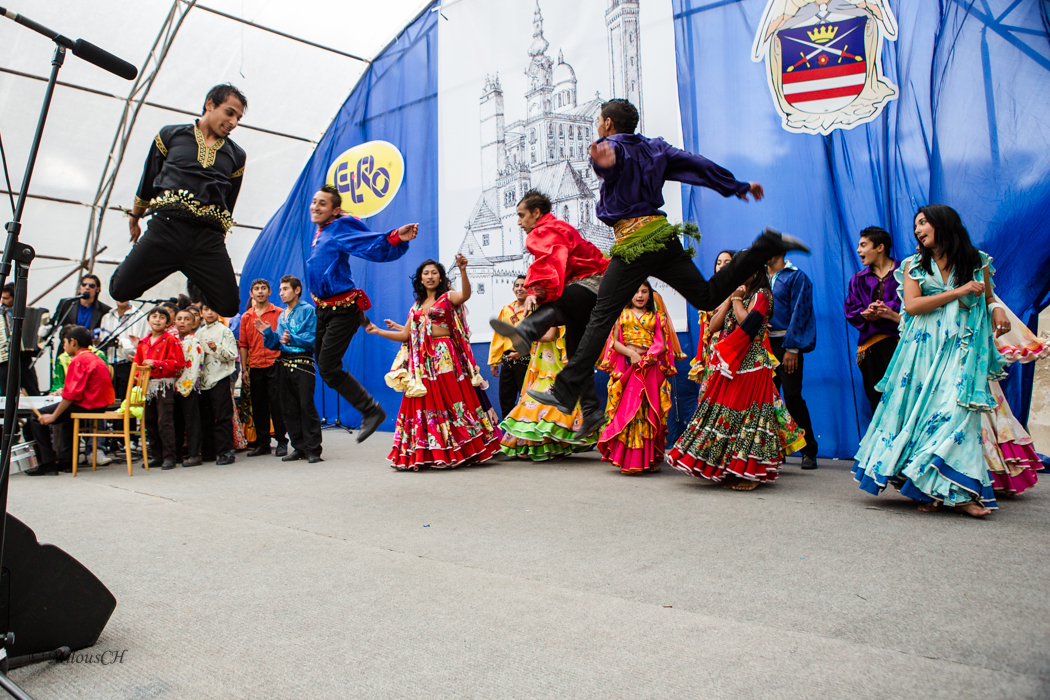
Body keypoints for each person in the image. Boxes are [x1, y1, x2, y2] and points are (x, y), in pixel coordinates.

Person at [525, 99, 808, 430]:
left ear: (607, 124)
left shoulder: (611, 147)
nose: (599, 126)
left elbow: (610, 163)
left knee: (601, 315)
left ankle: (564, 389)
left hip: (634, 244)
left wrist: (602, 162)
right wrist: (734, 185)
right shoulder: (655, 148)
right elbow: (696, 164)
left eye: (600, 121)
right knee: (705, 296)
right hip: (662, 237)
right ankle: (765, 246)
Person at [852, 204, 1011, 518]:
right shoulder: (913, 264)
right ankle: (930, 490)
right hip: (923, 348)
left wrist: (996, 310)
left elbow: (988, 297)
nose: (917, 230)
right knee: (922, 413)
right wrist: (958, 291)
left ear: (943, 223)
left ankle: (959, 494)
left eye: (923, 223)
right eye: (915, 225)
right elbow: (912, 306)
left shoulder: (976, 260)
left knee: (957, 413)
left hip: (961, 347)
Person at [110, 84, 247, 318]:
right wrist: (135, 218)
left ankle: (189, 270)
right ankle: (173, 262)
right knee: (119, 289)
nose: (233, 122)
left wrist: (215, 247)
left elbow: (229, 202)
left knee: (229, 305)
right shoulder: (171, 135)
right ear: (210, 104)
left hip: (207, 239)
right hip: (167, 228)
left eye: (238, 118)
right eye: (229, 113)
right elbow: (147, 180)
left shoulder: (237, 154)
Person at [667, 270, 806, 489]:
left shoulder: (762, 295)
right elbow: (713, 326)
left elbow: (747, 325)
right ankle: (733, 469)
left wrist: (736, 300)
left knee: (751, 417)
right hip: (732, 363)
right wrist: (729, 299)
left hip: (752, 363)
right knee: (731, 416)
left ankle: (752, 475)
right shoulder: (737, 294)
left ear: (755, 271)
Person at [488, 190, 607, 438]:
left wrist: (535, 290)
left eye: (521, 215)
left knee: (558, 304)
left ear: (536, 213)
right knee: (576, 353)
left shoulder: (545, 230)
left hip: (589, 285)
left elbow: (550, 260)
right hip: (592, 289)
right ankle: (590, 410)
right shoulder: (557, 229)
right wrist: (538, 290)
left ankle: (526, 331)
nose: (519, 222)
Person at [306, 185, 418, 443]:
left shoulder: (340, 226)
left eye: (322, 203)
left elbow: (369, 244)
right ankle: (370, 410)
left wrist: (395, 237)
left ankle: (371, 410)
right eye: (314, 202)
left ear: (335, 210)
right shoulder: (323, 231)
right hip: (324, 309)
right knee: (325, 368)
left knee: (328, 366)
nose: (316, 207)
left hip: (342, 309)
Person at [367, 256, 500, 470]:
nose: (430, 276)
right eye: (426, 273)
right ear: (420, 279)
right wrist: (378, 331)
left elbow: (465, 295)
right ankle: (432, 452)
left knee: (451, 399)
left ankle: (460, 449)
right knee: (426, 402)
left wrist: (463, 270)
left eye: (434, 273)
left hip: (444, 357)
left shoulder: (448, 297)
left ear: (440, 277)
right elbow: (405, 335)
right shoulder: (416, 306)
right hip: (422, 362)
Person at [596, 281, 680, 475]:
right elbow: (614, 342)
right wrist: (631, 354)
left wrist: (648, 356)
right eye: (636, 291)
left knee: (648, 412)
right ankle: (627, 459)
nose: (640, 295)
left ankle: (650, 458)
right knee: (628, 411)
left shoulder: (657, 317)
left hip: (649, 368)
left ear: (650, 295)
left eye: (644, 291)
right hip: (628, 368)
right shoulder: (621, 314)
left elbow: (662, 344)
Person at [22, 325, 116, 476]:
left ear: (73, 342)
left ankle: (47, 463)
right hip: (100, 405)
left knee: (36, 417)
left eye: (64, 342)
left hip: (87, 405)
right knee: (67, 416)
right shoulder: (96, 357)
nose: (63, 346)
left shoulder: (78, 360)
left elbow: (71, 394)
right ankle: (66, 462)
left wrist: (53, 416)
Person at [499, 326, 597, 460]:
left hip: (554, 368)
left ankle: (552, 448)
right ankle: (545, 447)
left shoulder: (553, 315)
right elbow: (539, 342)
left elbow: (548, 336)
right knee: (541, 408)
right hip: (546, 367)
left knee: (546, 408)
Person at [259, 275, 322, 463]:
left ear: (297, 290)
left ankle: (313, 449)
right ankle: (299, 447)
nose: (281, 293)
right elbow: (277, 344)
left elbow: (314, 338)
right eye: (280, 289)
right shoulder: (282, 315)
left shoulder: (308, 310)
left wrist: (292, 339)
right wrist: (268, 333)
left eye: (285, 289)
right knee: (288, 408)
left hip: (302, 363)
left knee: (305, 406)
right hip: (284, 364)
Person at [766, 253, 819, 469]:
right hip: (763, 344)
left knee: (792, 396)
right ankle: (774, 450)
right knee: (766, 399)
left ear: (779, 251)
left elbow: (801, 312)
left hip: (786, 345)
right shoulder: (759, 276)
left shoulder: (796, 277)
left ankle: (809, 450)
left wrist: (792, 347)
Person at [844, 226, 900, 413]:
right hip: (870, 347)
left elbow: (911, 303)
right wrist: (865, 313)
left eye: (863, 245)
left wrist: (888, 310)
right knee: (876, 400)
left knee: (902, 397)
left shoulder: (904, 273)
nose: (858, 250)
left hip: (899, 344)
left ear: (880, 247)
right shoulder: (858, 279)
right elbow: (851, 309)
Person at [238, 279, 288, 457]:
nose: (260, 292)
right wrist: (244, 369)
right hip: (255, 365)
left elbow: (284, 339)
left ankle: (282, 441)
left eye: (263, 288)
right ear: (251, 293)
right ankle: (263, 443)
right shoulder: (246, 317)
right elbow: (243, 344)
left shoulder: (279, 313)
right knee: (258, 406)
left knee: (277, 405)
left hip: (275, 364)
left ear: (269, 292)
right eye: (257, 289)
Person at [133, 306, 186, 470]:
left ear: (167, 322)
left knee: (165, 421)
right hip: (147, 386)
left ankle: (170, 457)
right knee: (150, 421)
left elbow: (178, 363)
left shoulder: (171, 340)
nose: (157, 320)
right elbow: (136, 365)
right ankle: (156, 456)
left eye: (162, 317)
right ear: (148, 320)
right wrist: (137, 380)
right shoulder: (143, 343)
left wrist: (157, 364)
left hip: (164, 385)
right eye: (154, 316)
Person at [196, 302, 237, 465]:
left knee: (222, 417)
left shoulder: (224, 331)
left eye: (213, 309)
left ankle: (226, 451)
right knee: (205, 418)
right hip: (203, 380)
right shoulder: (199, 333)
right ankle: (208, 451)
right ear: (201, 313)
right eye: (206, 309)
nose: (209, 312)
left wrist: (216, 348)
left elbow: (232, 354)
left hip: (219, 378)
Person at [687, 250, 735, 390]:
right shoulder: (710, 292)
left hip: (735, 349)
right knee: (712, 392)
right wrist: (701, 358)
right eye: (718, 263)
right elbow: (706, 330)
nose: (721, 265)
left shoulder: (742, 291)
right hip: (714, 350)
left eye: (727, 262)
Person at [489, 276, 531, 419]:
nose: (520, 288)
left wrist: (521, 353)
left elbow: (536, 336)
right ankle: (508, 431)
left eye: (523, 285)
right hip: (508, 359)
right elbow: (499, 336)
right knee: (505, 398)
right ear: (513, 289)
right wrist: (494, 361)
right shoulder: (506, 310)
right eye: (517, 286)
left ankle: (527, 430)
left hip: (527, 359)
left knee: (527, 399)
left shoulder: (534, 309)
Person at [173, 309, 204, 467]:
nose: (183, 322)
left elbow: (193, 367)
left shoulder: (193, 342)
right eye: (179, 319)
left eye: (187, 319)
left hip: (188, 387)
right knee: (176, 422)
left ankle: (194, 454)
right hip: (175, 388)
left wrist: (184, 386)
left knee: (192, 422)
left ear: (193, 323)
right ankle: (176, 453)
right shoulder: (175, 341)